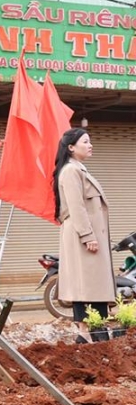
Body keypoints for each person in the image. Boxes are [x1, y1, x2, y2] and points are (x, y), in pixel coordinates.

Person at [53, 127, 114, 343]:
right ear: (71, 147)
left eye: (90, 141)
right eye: (85, 142)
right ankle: (87, 333)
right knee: (84, 284)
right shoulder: (71, 171)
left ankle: (93, 331)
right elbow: (76, 207)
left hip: (87, 235)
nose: (90, 145)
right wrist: (88, 236)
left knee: (92, 283)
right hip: (82, 237)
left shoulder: (79, 169)